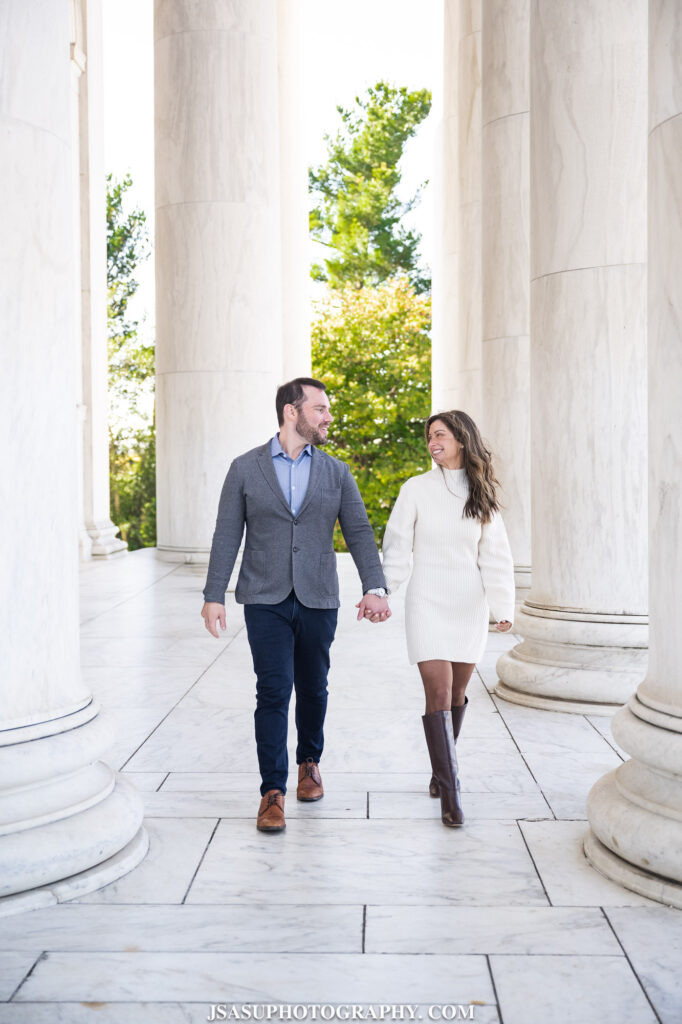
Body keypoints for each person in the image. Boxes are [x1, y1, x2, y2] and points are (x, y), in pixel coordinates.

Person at [201, 377, 391, 833]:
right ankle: (273, 791)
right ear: (292, 411)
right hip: (264, 597)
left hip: (318, 597)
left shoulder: (336, 471)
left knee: (313, 687)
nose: (328, 417)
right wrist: (213, 595)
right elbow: (227, 533)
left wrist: (375, 587)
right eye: (320, 409)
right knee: (272, 690)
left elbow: (360, 532)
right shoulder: (245, 468)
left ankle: (310, 762)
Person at [378, 410, 515, 827]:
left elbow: (494, 556)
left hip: (468, 605)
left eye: (440, 435)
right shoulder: (415, 489)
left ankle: (440, 770)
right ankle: (451, 794)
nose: (432, 441)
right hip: (427, 603)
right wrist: (382, 590)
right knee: (437, 694)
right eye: (429, 436)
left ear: (461, 439)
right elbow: (397, 545)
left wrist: (502, 607)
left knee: (457, 697)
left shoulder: (482, 495)